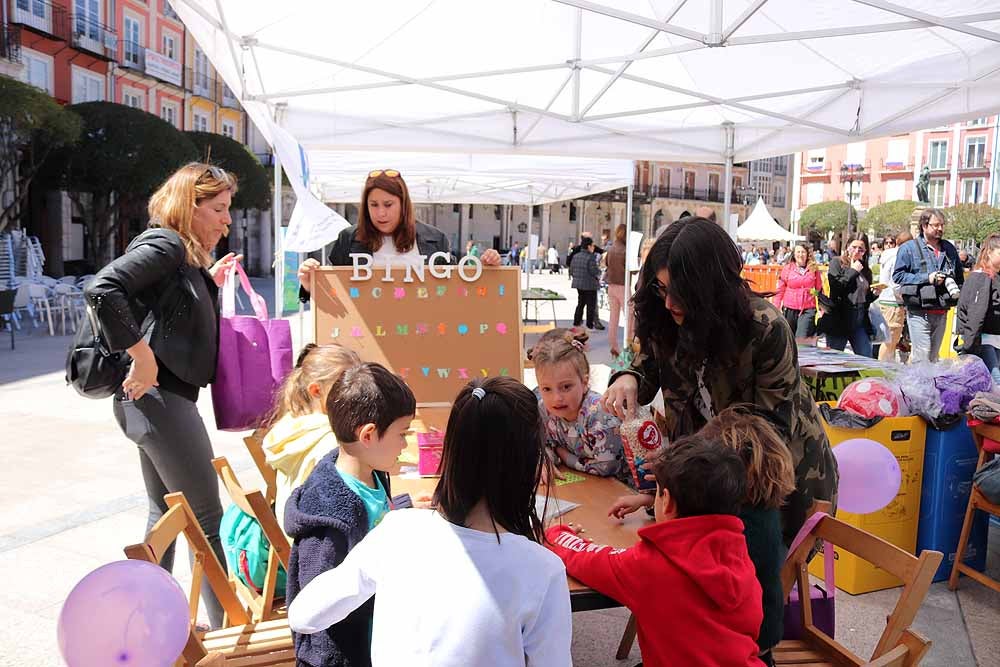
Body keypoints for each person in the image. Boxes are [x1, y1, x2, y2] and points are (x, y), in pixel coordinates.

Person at [287, 377, 573, 667]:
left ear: (450, 450)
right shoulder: (542, 569)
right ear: (528, 462)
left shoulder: (396, 531)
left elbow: (303, 615)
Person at [601, 217, 837, 543]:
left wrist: (678, 471)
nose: (669, 303)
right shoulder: (666, 316)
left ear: (711, 288)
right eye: (662, 289)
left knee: (754, 587)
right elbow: (646, 367)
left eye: (681, 293)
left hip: (780, 488)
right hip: (710, 484)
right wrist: (627, 376)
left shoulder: (765, 328)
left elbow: (764, 437)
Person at [84, 163, 242, 628]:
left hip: (156, 401)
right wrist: (143, 357)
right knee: (207, 519)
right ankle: (230, 631)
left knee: (167, 515)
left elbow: (165, 308)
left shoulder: (183, 256)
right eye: (217, 209)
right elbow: (101, 289)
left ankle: (145, 622)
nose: (226, 220)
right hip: (157, 397)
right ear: (188, 208)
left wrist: (206, 282)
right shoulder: (166, 242)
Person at [546, 435, 764, 666]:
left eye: (656, 492)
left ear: (667, 501)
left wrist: (555, 534)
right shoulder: (741, 556)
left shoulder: (649, 565)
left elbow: (588, 560)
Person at [606, 407, 795, 666]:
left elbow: (677, 559)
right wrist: (653, 499)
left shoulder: (743, 529)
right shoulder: (757, 508)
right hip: (746, 642)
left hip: (733, 651)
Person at [284, 362, 416, 667]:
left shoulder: (370, 470)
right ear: (369, 434)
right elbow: (317, 608)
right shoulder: (329, 515)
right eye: (402, 433)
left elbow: (376, 522)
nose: (405, 444)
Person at [297, 170, 501, 292]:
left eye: (388, 204)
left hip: (421, 337)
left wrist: (483, 268)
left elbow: (456, 286)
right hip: (362, 341)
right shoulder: (348, 239)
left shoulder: (434, 239)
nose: (381, 213)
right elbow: (333, 293)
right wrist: (308, 284)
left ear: (403, 204)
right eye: (373, 205)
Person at [263, 343, 361, 530]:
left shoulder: (292, 425)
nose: (357, 393)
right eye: (346, 385)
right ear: (316, 390)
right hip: (319, 540)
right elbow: (348, 507)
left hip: (296, 534)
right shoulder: (331, 440)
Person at [531, 328, 626, 482]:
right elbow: (544, 444)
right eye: (546, 389)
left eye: (566, 387)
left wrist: (564, 455)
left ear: (584, 382)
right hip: (586, 484)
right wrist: (545, 460)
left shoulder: (600, 416)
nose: (556, 398)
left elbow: (606, 468)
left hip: (624, 489)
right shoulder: (544, 409)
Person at [893, 208, 963, 363]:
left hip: (942, 310)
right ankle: (917, 387)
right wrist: (927, 278)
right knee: (922, 358)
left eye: (942, 225)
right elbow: (898, 276)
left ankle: (928, 386)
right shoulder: (909, 248)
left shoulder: (949, 249)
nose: (940, 228)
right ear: (924, 226)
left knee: (933, 358)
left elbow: (959, 276)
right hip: (919, 311)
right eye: (935, 225)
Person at [826, 235, 882, 358]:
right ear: (847, 247)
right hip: (840, 318)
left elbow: (864, 299)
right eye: (854, 247)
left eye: (861, 249)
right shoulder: (837, 262)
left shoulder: (865, 269)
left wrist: (874, 294)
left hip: (859, 319)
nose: (857, 251)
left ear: (865, 251)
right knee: (834, 359)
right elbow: (837, 287)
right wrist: (853, 271)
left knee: (866, 358)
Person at [955, 234, 1000, 384]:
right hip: (983, 340)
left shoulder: (996, 277)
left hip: (995, 339)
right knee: (996, 382)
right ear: (989, 252)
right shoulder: (980, 278)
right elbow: (975, 315)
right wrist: (967, 347)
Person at [877, 231, 913, 362]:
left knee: (889, 340)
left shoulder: (887, 256)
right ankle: (883, 369)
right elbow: (896, 282)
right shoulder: (899, 256)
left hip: (886, 299)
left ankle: (885, 367)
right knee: (890, 341)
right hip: (894, 301)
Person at [774, 243, 823, 339]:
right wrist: (776, 307)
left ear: (807, 254)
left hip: (807, 309)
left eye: (803, 252)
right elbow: (780, 290)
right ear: (794, 254)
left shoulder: (813, 269)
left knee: (801, 338)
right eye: (798, 252)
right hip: (790, 309)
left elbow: (818, 289)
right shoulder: (787, 268)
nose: (801, 254)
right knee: (789, 338)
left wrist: (819, 303)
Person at [570, 236, 604, 330]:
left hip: (578, 284)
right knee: (591, 305)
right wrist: (599, 272)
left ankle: (577, 322)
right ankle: (589, 324)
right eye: (592, 246)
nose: (593, 248)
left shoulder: (576, 256)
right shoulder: (591, 257)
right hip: (590, 285)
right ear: (588, 246)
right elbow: (594, 271)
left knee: (580, 303)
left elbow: (571, 270)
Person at [605, 223, 628, 357]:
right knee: (630, 318)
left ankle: (613, 346)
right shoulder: (625, 250)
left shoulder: (611, 249)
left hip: (611, 285)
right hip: (622, 286)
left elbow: (607, 264)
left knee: (613, 318)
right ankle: (629, 348)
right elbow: (629, 268)